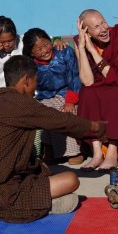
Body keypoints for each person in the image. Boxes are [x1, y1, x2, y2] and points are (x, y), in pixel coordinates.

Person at [0, 55, 106, 223]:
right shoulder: (20, 104)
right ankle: (41, 204)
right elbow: (62, 121)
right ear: (26, 80)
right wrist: (95, 127)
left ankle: (43, 199)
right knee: (71, 180)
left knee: (43, 168)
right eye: (35, 82)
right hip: (3, 192)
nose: (35, 88)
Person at [74, 9, 118, 171]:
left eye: (104, 22)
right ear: (87, 32)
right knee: (86, 93)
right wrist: (83, 47)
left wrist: (93, 51)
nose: (104, 29)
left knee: (116, 93)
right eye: (97, 27)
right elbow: (88, 81)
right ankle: (97, 153)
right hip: (100, 91)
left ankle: (113, 153)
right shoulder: (79, 43)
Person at [23, 27, 84, 165]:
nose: (44, 50)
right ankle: (50, 150)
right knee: (45, 111)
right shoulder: (30, 65)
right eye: (38, 49)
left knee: (62, 111)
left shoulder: (65, 52)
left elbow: (74, 77)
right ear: (31, 53)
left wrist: (70, 101)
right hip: (45, 96)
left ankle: (74, 152)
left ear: (51, 41)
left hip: (67, 93)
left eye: (46, 44)